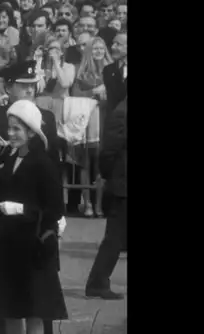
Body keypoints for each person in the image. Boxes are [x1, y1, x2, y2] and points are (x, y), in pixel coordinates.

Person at [0, 60, 61, 334]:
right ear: (8, 86)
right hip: (2, 221)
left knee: (37, 301)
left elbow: (52, 168)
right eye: (23, 86)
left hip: (35, 224)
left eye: (33, 86)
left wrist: (55, 216)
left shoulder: (46, 118)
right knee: (6, 302)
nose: (29, 91)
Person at [85, 97, 127, 300]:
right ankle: (97, 283)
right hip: (122, 185)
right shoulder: (121, 113)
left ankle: (98, 282)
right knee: (114, 238)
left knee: (116, 237)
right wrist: (110, 176)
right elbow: (108, 153)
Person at [103, 32, 127, 113]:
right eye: (113, 44)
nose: (113, 47)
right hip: (113, 121)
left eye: (118, 44)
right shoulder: (108, 70)